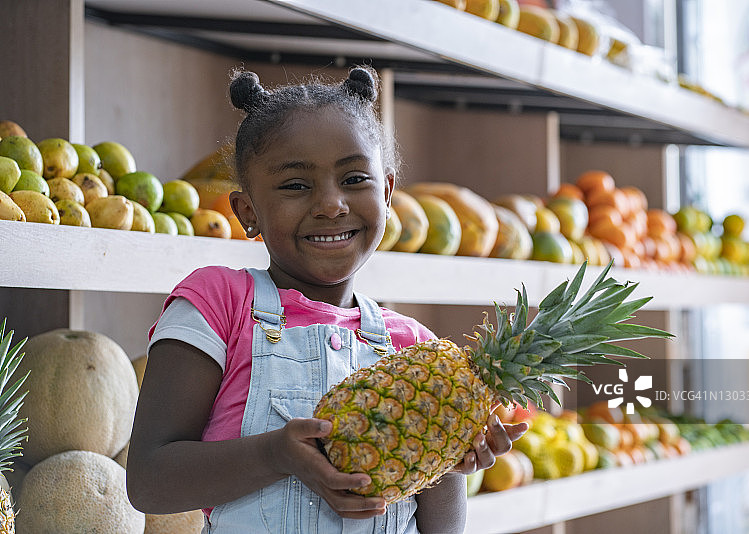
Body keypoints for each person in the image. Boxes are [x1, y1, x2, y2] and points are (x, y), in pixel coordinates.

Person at [126, 66, 528, 534]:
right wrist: (274, 454)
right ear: (247, 211)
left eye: (355, 178)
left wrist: (449, 453)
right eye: (296, 185)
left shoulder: (413, 345)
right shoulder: (219, 305)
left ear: (388, 194)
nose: (332, 204)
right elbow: (149, 481)